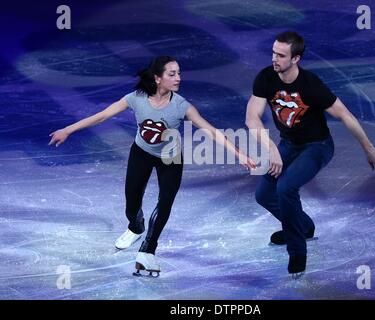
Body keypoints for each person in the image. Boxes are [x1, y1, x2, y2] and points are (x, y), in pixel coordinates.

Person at [49, 56, 256, 277]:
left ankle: (148, 250)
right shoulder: (136, 98)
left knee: (165, 202)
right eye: (172, 74)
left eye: (179, 73)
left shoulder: (182, 106)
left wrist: (239, 153)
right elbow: (102, 116)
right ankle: (136, 227)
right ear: (158, 78)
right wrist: (68, 130)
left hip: (171, 158)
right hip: (141, 154)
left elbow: (210, 130)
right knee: (131, 204)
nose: (178, 78)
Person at [245, 31, 375, 278]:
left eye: (281, 55)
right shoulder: (266, 78)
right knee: (264, 193)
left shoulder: (311, 85)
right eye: (273, 52)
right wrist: (272, 149)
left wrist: (368, 147)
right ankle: (304, 226)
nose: (274, 59)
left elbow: (344, 114)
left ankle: (297, 253)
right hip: (288, 144)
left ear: (296, 58)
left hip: (317, 146)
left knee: (286, 187)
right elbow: (252, 118)